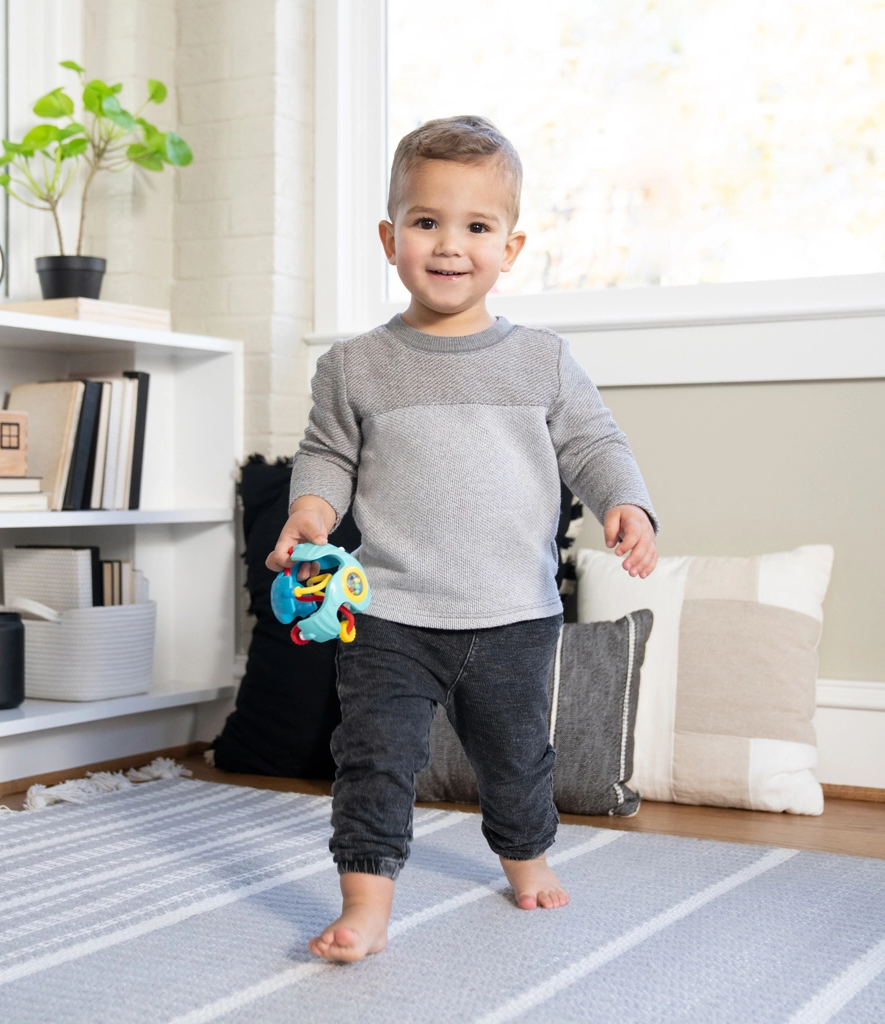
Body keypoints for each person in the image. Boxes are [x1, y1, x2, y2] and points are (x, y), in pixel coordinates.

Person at [266, 115, 658, 963]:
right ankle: (365, 902)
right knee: (373, 758)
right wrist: (311, 515)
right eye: (426, 221)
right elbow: (327, 457)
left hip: (513, 615)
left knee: (515, 762)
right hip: (389, 612)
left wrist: (625, 502)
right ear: (390, 238)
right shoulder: (355, 366)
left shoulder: (542, 361)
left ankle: (526, 855)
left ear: (509, 248)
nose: (450, 245)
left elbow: (595, 443)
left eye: (477, 226)